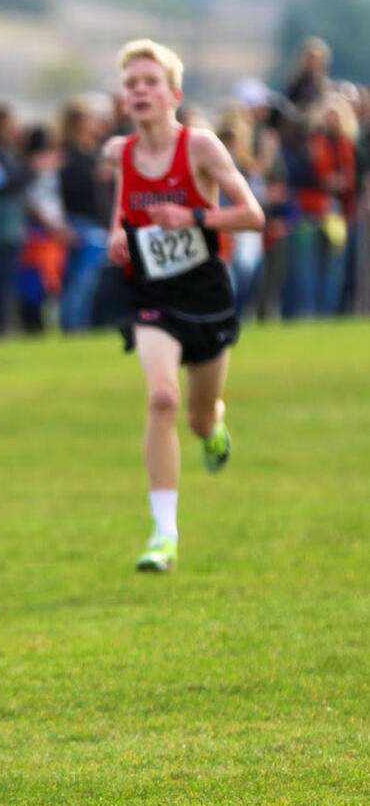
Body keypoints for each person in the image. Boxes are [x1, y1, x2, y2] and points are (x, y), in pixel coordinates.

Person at [103, 39, 264, 573]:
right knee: (162, 399)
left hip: (205, 293)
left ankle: (214, 426)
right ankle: (163, 535)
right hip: (151, 295)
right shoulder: (122, 153)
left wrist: (194, 219)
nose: (140, 91)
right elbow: (123, 205)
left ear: (173, 93)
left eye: (150, 82)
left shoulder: (201, 148)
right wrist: (116, 236)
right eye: (131, 84)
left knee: (196, 417)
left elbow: (253, 215)